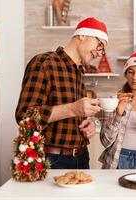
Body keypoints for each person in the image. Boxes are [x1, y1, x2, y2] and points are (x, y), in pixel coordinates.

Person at [15, 17, 108, 169]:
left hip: (82, 158)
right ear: (82, 35)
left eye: (102, 50)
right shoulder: (44, 62)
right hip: (53, 160)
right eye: (100, 45)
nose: (100, 54)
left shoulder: (79, 71)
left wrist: (87, 124)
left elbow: (72, 116)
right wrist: (73, 109)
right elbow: (24, 116)